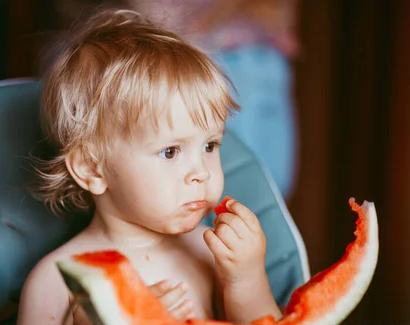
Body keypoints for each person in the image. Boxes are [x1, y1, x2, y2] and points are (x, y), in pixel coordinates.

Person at [11, 9, 282, 325]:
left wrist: (246, 278)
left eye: (211, 145)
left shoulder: (209, 250)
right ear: (91, 168)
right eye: (170, 152)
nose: (201, 172)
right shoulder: (59, 278)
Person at [125, 0, 300, 200]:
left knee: (270, 184)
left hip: (260, 52)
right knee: (234, 182)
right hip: (198, 53)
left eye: (211, 147)